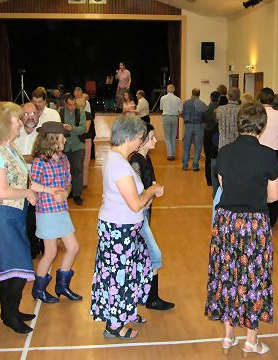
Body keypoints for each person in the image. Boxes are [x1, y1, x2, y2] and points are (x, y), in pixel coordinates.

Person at [205, 102, 278, 356]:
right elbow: (273, 197)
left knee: (227, 274)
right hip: (254, 224)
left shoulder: (224, 152)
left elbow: (224, 186)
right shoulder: (268, 155)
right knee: (253, 278)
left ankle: (228, 336)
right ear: (262, 125)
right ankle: (251, 340)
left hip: (226, 222)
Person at [90, 116, 164, 339]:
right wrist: (152, 190)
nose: (140, 142)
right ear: (130, 138)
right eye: (140, 138)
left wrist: (148, 194)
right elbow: (135, 204)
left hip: (124, 227)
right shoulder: (119, 165)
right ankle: (114, 325)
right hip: (118, 229)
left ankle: (125, 313)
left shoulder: (118, 160)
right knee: (118, 277)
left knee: (133, 272)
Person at [0, 102, 38, 334]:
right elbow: (3, 191)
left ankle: (11, 311)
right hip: (2, 216)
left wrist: (42, 190)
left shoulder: (10, 148)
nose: (21, 121)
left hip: (14, 214)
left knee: (16, 268)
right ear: (4, 124)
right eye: (17, 118)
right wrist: (28, 193)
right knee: (14, 268)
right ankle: (9, 314)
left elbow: (23, 180)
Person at [30, 121, 82, 304]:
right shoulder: (39, 161)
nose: (65, 141)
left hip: (61, 210)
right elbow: (32, 184)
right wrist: (50, 191)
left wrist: (66, 193)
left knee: (74, 247)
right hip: (46, 212)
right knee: (50, 252)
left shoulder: (64, 159)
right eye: (61, 138)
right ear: (52, 140)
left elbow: (68, 183)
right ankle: (39, 289)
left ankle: (62, 285)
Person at [130, 123, 175, 311]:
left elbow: (149, 184)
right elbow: (137, 195)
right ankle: (151, 298)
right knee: (154, 256)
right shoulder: (136, 162)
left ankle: (143, 294)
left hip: (145, 213)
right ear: (142, 141)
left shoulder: (146, 159)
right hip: (138, 215)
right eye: (152, 138)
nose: (156, 140)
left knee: (142, 255)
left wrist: (154, 189)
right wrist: (153, 191)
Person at [14, 102, 44, 258]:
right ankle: (31, 248)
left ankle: (43, 246)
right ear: (21, 117)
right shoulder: (15, 134)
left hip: (40, 181)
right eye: (26, 114)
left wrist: (20, 158)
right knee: (26, 219)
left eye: (33, 113)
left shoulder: (43, 135)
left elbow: (40, 158)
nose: (30, 117)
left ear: (39, 115)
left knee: (39, 217)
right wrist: (28, 158)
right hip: (19, 183)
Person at [258, 87, 278, 227]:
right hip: (275, 154)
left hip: (258, 152)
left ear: (260, 99)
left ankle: (259, 214)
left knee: (258, 183)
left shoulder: (257, 113)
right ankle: (272, 217)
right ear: (272, 100)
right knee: (276, 184)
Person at [59, 93, 86, 205]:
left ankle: (77, 194)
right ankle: (67, 191)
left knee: (78, 170)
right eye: (70, 105)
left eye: (74, 104)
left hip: (78, 145)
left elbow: (83, 129)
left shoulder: (81, 113)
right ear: (65, 103)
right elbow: (57, 127)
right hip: (63, 146)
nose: (72, 107)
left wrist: (72, 128)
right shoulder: (59, 112)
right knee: (65, 170)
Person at [182, 88, 207, 171]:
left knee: (186, 146)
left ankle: (185, 165)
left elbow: (183, 114)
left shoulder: (186, 103)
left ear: (192, 93)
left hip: (188, 125)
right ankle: (195, 165)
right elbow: (204, 117)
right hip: (198, 126)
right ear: (199, 94)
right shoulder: (203, 104)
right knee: (198, 146)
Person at [202, 91, 220, 187]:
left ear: (211, 98)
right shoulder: (220, 109)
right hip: (217, 134)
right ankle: (217, 179)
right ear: (219, 98)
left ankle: (209, 180)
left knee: (208, 157)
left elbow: (203, 123)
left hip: (207, 134)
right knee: (217, 157)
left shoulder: (206, 109)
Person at [159, 84, 182, 160]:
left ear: (167, 90)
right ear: (174, 90)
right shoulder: (178, 99)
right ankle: (173, 154)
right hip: (175, 118)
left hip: (166, 117)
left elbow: (161, 108)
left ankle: (170, 154)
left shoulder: (163, 98)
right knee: (173, 136)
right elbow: (180, 111)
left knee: (167, 137)